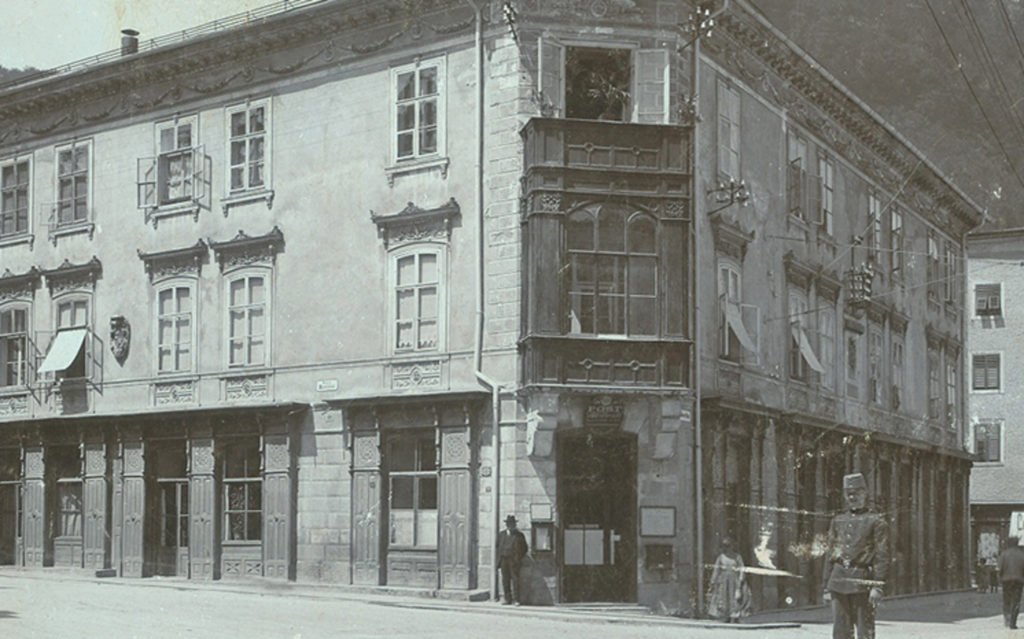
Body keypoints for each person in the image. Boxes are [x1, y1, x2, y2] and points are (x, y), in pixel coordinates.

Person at [822, 472, 889, 639]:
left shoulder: (876, 521)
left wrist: (877, 586)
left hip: (862, 582)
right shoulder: (838, 520)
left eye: (857, 493)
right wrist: (826, 586)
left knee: (864, 632)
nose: (853, 497)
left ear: (865, 493)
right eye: (849, 493)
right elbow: (830, 554)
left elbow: (882, 555)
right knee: (840, 632)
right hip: (838, 581)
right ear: (845, 496)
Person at [707, 537, 750, 623]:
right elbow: (716, 569)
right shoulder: (721, 557)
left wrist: (741, 580)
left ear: (732, 546)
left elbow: (741, 568)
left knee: (735, 598)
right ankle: (726, 616)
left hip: (735, 580)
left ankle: (735, 616)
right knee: (724, 597)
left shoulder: (737, 557)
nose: (726, 548)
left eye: (728, 546)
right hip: (723, 580)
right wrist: (713, 581)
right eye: (725, 546)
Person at [497, 514, 528, 605]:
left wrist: (518, 557)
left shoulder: (519, 535)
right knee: (505, 580)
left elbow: (524, 548)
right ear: (506, 525)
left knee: (515, 580)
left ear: (515, 525)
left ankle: (517, 599)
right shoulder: (501, 534)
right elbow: (497, 546)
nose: (510, 526)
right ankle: (507, 599)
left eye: (512, 524)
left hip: (514, 561)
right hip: (504, 560)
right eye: (509, 524)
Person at [998, 536, 1024, 629]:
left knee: (1006, 600)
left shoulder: (1004, 554)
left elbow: (1000, 568)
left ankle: (1007, 619)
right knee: (1016, 601)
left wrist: (1000, 578)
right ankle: (1013, 623)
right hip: (1019, 581)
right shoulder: (1022, 554)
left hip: (1006, 580)